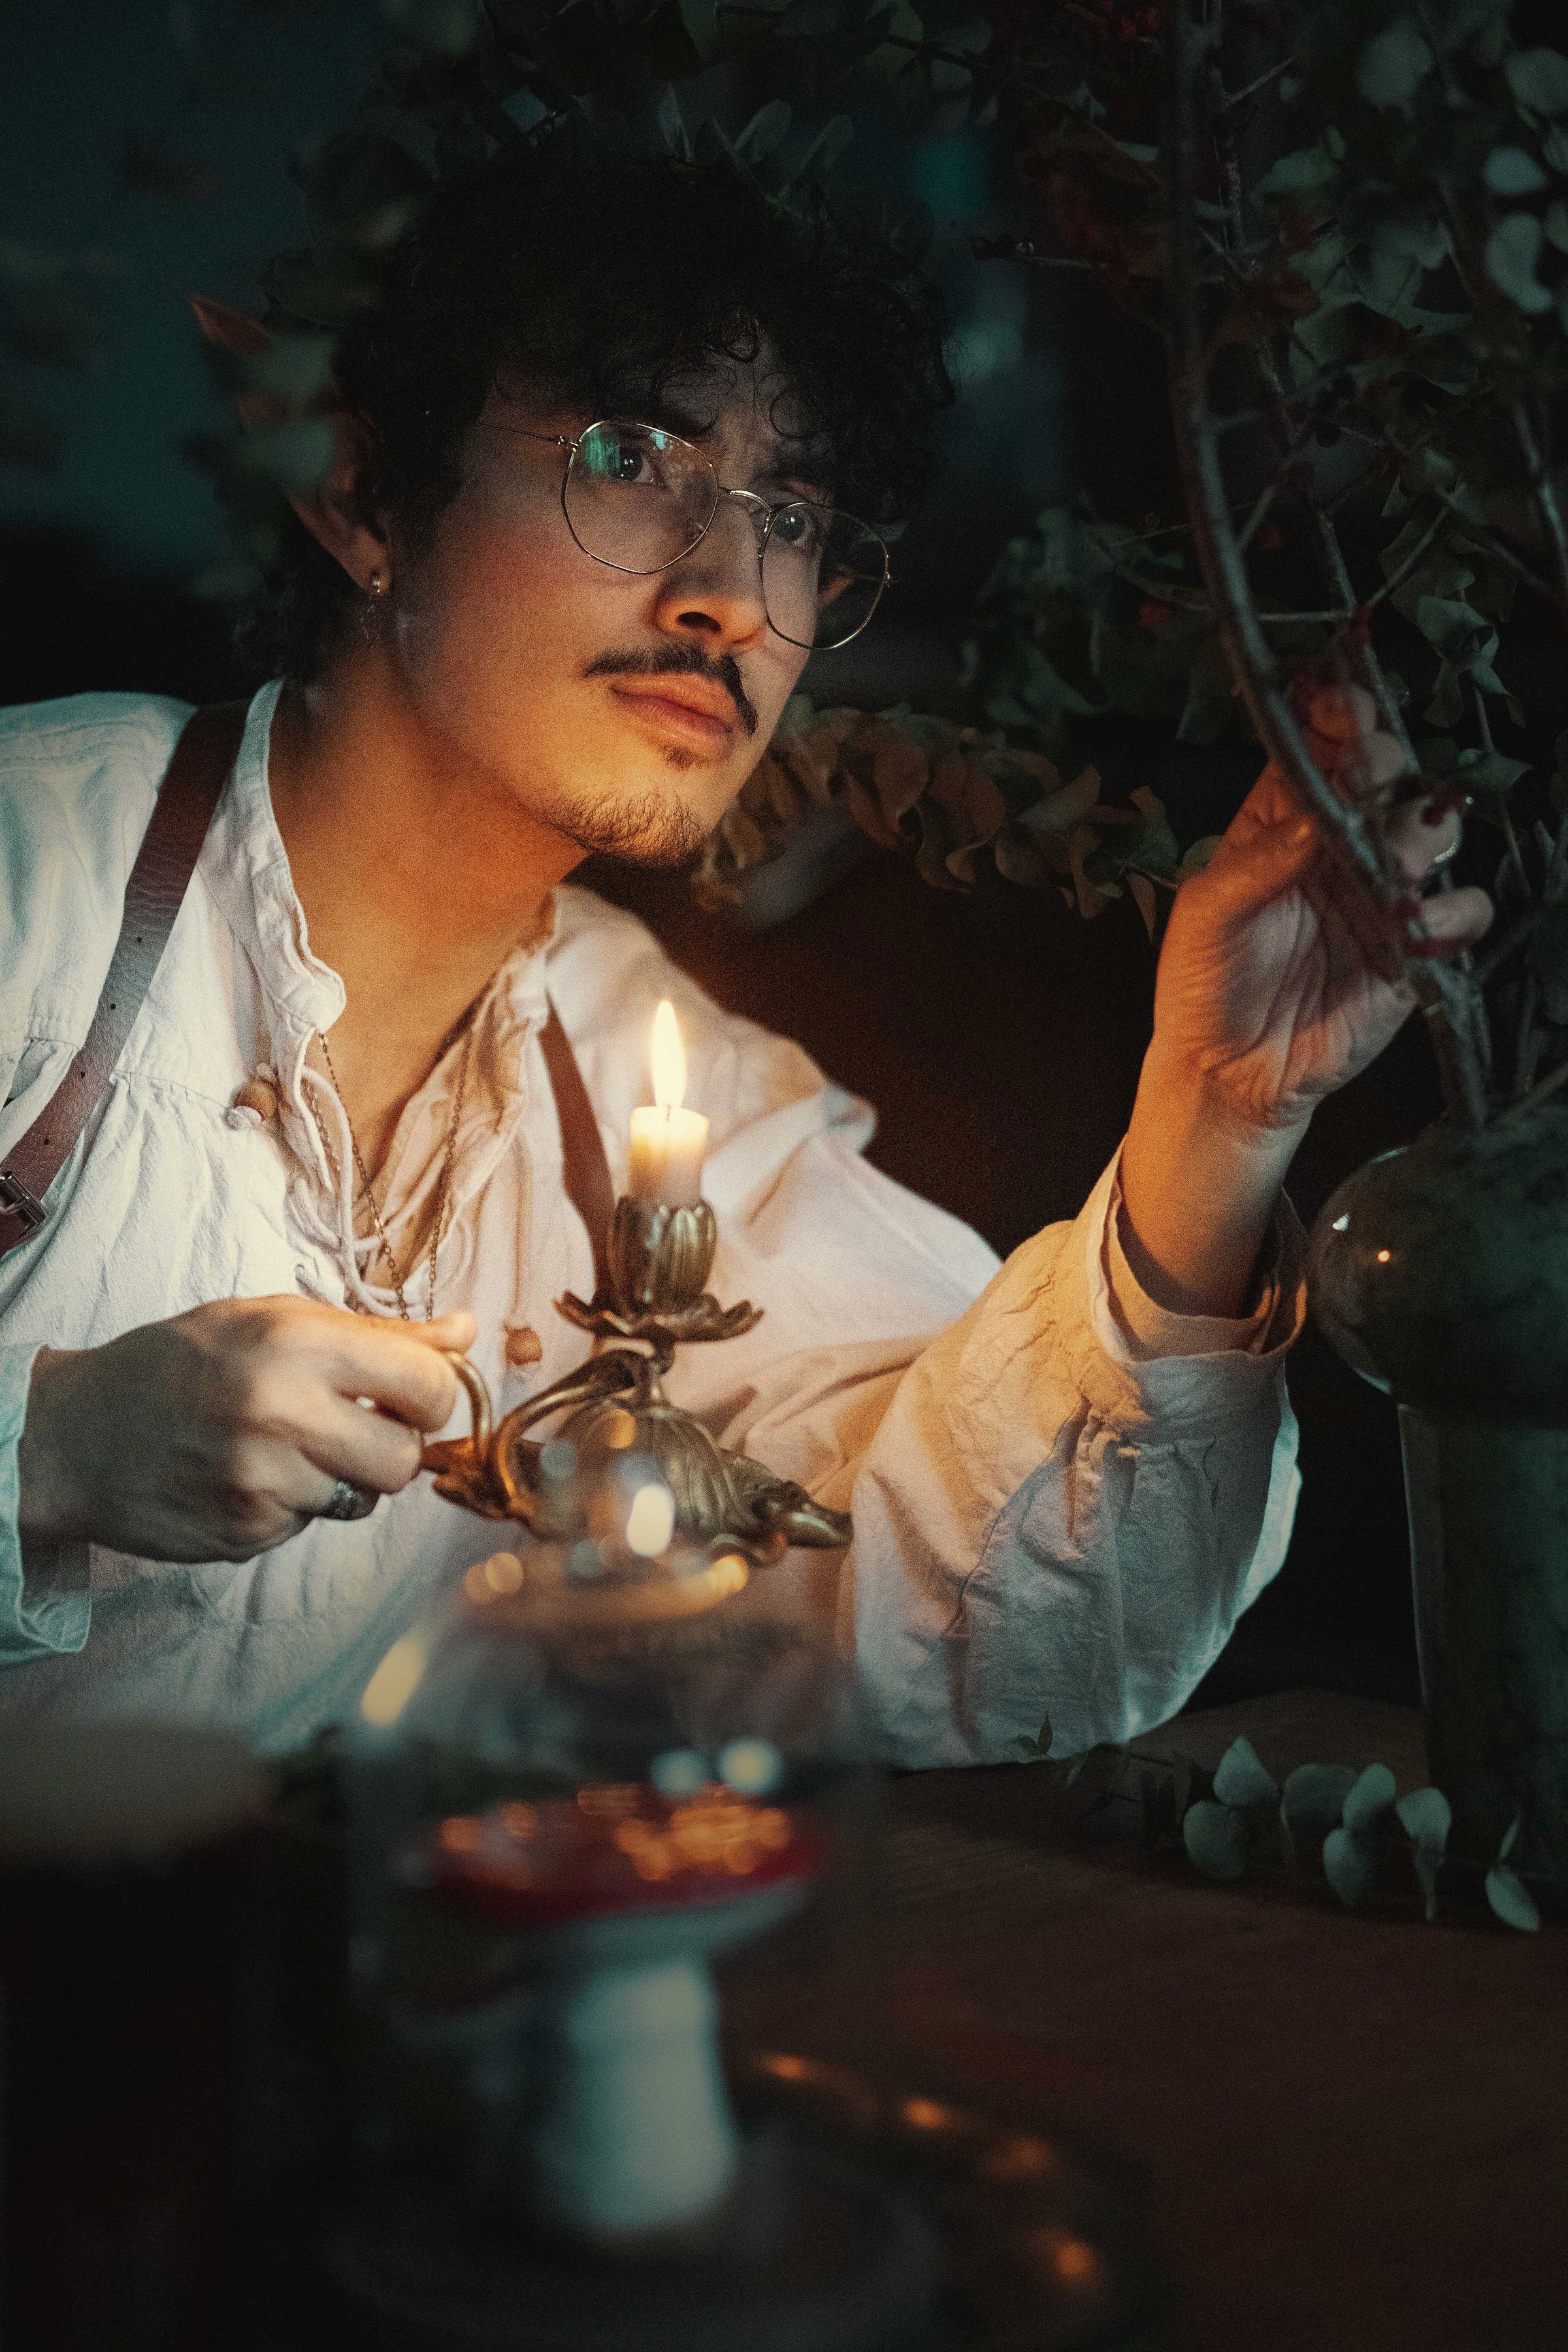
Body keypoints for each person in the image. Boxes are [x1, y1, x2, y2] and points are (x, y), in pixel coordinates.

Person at [0, 144, 1489, 1763]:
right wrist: (46, 1449)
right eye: (629, 453)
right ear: (363, 493)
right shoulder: (41, 877)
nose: (727, 594)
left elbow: (966, 1626)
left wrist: (1216, 1120)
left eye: (791, 512)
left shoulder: (653, 1089)